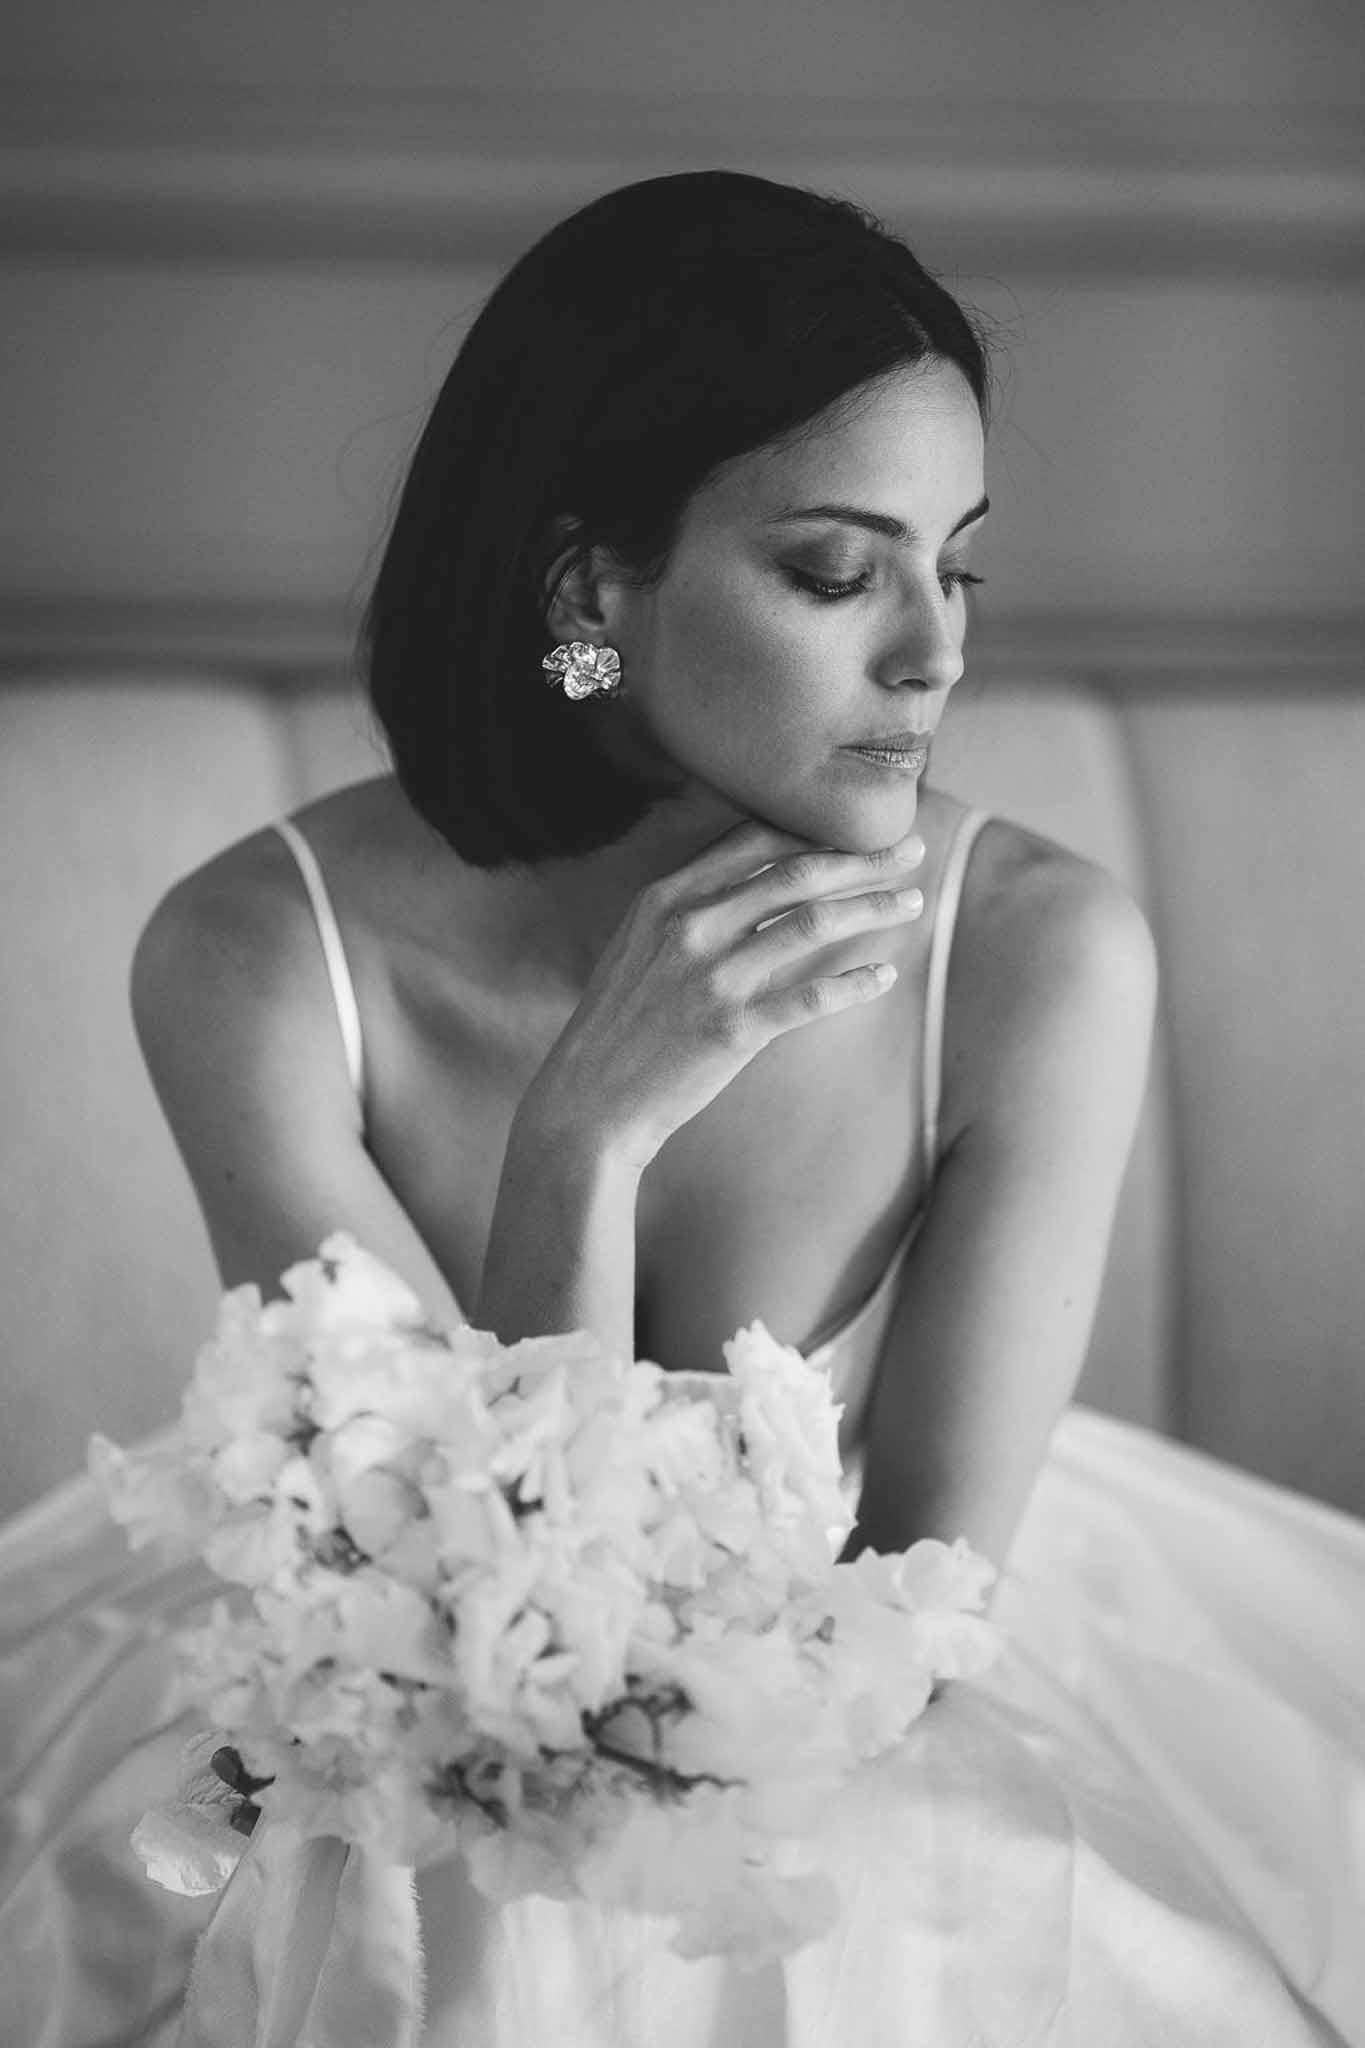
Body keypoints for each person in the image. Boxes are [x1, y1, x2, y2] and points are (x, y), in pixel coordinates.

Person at [1, 169, 1362, 2047]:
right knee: (206, 1885)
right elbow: (428, 1570)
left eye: (953, 563)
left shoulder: (1042, 955)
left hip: (873, 1669)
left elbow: (917, 1620)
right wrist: (584, 1138)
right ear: (588, 591)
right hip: (354, 1653)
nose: (933, 653)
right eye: (834, 571)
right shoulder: (251, 958)